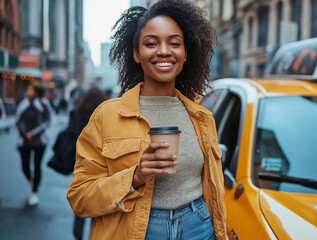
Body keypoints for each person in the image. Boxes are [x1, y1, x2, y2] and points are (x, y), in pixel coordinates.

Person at [67, 1, 227, 239]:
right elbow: (80, 197)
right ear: (136, 53)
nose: (164, 51)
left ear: (185, 54)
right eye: (151, 43)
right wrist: (135, 177)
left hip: (199, 226)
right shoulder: (107, 115)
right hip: (136, 230)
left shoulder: (202, 117)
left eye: (174, 43)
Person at [67, 87, 108, 240]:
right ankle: (93, 234)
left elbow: (73, 134)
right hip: (100, 165)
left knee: (81, 199)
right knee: (96, 202)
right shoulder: (104, 115)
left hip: (80, 163)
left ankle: (77, 235)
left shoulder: (76, 113)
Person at [16, 84, 51, 206]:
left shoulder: (43, 104)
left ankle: (34, 192)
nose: (27, 91)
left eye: (30, 89)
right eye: (27, 89)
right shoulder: (23, 104)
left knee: (37, 166)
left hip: (40, 141)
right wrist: (25, 134)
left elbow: (47, 121)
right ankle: (31, 181)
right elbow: (18, 121)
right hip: (24, 141)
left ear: (36, 92)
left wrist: (34, 134)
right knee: (25, 166)